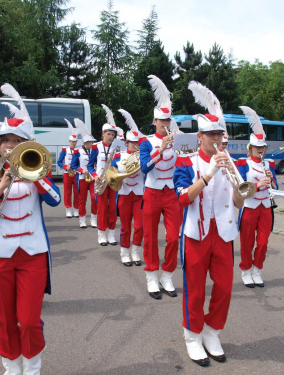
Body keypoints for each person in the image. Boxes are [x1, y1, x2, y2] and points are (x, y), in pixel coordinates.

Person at [0, 83, 61, 374]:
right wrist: (0, 186)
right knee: (5, 320)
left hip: (33, 254)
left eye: (16, 141)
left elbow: (56, 200)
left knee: (30, 319)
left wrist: (35, 175)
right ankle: (11, 367)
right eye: (5, 141)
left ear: (26, 145)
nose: (9, 146)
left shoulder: (39, 174)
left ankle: (32, 368)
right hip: (0, 255)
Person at [174, 83, 244, 366]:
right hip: (197, 233)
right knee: (195, 288)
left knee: (225, 287)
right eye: (212, 134)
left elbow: (238, 203)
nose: (217, 138)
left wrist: (239, 188)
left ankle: (212, 332)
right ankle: (192, 336)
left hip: (224, 233)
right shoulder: (187, 162)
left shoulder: (231, 162)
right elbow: (182, 199)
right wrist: (209, 173)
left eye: (220, 134)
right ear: (200, 136)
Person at [139, 75, 181, 300]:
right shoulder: (146, 142)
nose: (165, 125)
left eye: (168, 121)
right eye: (161, 122)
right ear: (154, 122)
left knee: (174, 237)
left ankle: (167, 274)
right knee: (151, 236)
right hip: (152, 191)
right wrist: (161, 148)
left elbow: (186, 162)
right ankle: (151, 275)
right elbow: (144, 167)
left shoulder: (178, 139)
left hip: (171, 192)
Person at [237, 106, 278, 288]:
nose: (260, 150)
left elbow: (275, 185)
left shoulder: (269, 163)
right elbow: (239, 187)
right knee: (247, 243)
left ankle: (257, 270)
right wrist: (258, 185)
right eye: (257, 147)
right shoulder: (243, 163)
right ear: (251, 148)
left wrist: (270, 180)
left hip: (266, 207)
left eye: (262, 147)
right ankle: (246, 270)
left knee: (262, 243)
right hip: (249, 206)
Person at [112, 109, 145, 266]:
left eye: (138, 143)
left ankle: (135, 252)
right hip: (124, 193)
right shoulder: (118, 157)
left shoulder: (143, 156)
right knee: (125, 226)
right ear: (126, 143)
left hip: (139, 194)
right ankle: (124, 252)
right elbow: (111, 172)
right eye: (133, 143)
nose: (135, 146)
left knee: (140, 226)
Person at [88, 105, 119, 245]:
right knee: (102, 208)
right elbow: (89, 165)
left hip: (112, 180)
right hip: (100, 180)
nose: (111, 136)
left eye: (112, 134)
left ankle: (111, 233)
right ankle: (101, 234)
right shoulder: (96, 147)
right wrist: (94, 175)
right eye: (108, 134)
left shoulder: (116, 147)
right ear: (103, 134)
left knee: (112, 207)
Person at [70, 119, 97, 228]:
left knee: (94, 198)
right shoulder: (78, 151)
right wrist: (82, 170)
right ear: (86, 143)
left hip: (92, 178)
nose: (93, 143)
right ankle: (82, 220)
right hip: (82, 178)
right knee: (82, 200)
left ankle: (94, 219)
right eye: (91, 142)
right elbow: (73, 166)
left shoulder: (95, 150)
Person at [57, 120, 80, 218]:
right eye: (72, 141)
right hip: (67, 173)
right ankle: (68, 209)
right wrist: (66, 167)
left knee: (77, 192)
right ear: (69, 142)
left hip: (76, 174)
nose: (74, 143)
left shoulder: (79, 150)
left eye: (75, 141)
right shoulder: (64, 150)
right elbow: (59, 162)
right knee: (67, 192)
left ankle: (76, 209)